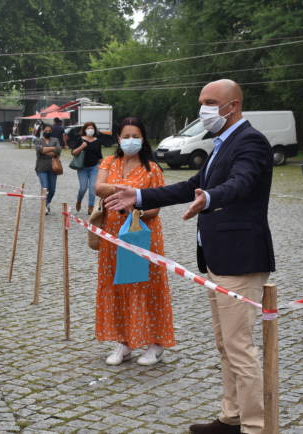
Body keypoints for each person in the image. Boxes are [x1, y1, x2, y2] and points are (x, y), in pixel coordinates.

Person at [105, 80, 275, 434]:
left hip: (240, 259)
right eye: (202, 102)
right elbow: (188, 186)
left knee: (240, 348)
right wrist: (138, 196)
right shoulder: (220, 144)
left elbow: (241, 183)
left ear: (234, 105)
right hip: (217, 258)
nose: (204, 110)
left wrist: (210, 198)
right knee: (225, 344)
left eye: (211, 102)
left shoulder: (251, 142)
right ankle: (231, 417)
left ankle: (256, 427)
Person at [93, 117, 175, 367]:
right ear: (118, 138)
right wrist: (128, 190)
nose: (130, 140)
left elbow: (155, 209)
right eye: (126, 135)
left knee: (146, 286)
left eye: (135, 136)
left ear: (143, 138)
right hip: (113, 237)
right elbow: (98, 187)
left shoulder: (152, 169)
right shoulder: (109, 161)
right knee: (117, 285)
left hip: (142, 236)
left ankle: (155, 343)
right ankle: (124, 341)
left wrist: (128, 200)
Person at [71, 122, 104, 215]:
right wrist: (82, 146)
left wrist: (104, 166)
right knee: (83, 187)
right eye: (88, 128)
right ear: (85, 130)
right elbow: (73, 152)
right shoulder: (80, 139)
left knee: (93, 188)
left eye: (92, 128)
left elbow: (99, 155)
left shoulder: (97, 141)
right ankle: (79, 200)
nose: (90, 130)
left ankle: (91, 207)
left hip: (94, 167)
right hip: (82, 168)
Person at [34, 124, 61, 214]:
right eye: (46, 130)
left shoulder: (55, 140)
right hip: (41, 168)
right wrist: (52, 148)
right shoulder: (38, 140)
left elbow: (58, 150)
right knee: (45, 187)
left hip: (53, 168)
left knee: (52, 189)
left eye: (49, 131)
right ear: (43, 130)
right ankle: (44, 206)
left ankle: (47, 202)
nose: (47, 132)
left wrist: (46, 150)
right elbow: (39, 150)